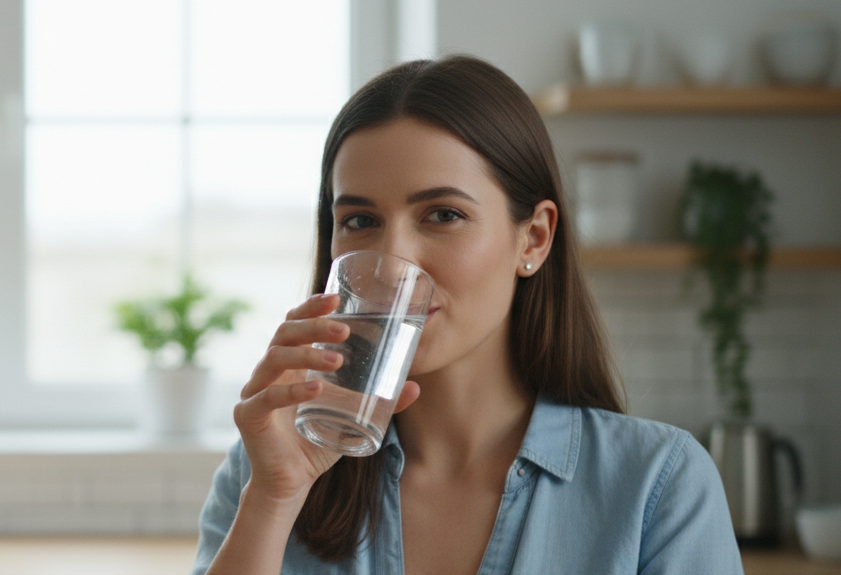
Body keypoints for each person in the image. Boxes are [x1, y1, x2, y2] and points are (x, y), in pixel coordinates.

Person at [193, 56, 742, 574]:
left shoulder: (658, 484)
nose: (395, 261)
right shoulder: (265, 468)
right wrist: (275, 497)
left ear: (534, 238)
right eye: (360, 221)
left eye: (443, 214)